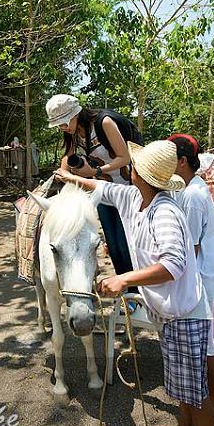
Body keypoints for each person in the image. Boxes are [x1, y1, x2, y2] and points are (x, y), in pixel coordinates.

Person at [55, 140, 214, 426]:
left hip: (186, 315)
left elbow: (173, 266)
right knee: (183, 390)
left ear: (137, 174)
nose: (129, 168)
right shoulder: (134, 198)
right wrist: (72, 178)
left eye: (133, 166)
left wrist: (124, 279)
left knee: (197, 396)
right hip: (168, 312)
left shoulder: (164, 212)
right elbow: (102, 189)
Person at [169, 134, 214, 417]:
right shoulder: (193, 186)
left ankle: (213, 400)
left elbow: (192, 249)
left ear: (182, 162)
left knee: (208, 344)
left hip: (209, 274)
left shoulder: (193, 196)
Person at [45, 94, 144, 291]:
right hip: (103, 191)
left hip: (128, 190)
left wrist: (95, 172)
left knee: (127, 243)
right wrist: (64, 173)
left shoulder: (104, 123)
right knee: (113, 245)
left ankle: (137, 291)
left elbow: (125, 157)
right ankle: (125, 291)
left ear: (76, 114)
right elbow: (68, 157)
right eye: (59, 125)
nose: (62, 127)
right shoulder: (73, 132)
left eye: (64, 122)